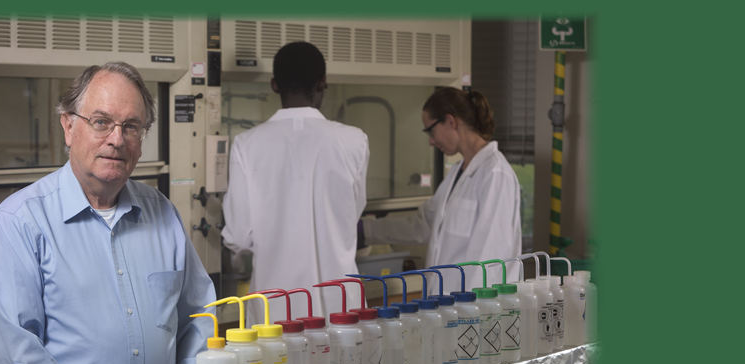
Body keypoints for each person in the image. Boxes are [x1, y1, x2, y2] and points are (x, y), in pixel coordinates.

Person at [0, 61, 214, 364]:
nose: (117, 139)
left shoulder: (162, 213)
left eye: (131, 126)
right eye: (101, 122)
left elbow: (198, 318)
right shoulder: (20, 220)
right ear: (69, 127)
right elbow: (14, 352)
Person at [221, 41, 370, 325]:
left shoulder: (246, 145)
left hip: (276, 313)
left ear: (275, 85)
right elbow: (353, 212)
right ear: (322, 83)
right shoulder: (355, 140)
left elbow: (238, 237)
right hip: (342, 311)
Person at [360, 87, 522, 293]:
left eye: (430, 130)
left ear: (451, 121)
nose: (431, 141)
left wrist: (468, 315)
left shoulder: (495, 174)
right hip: (446, 307)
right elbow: (423, 225)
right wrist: (366, 231)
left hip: (473, 310)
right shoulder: (456, 173)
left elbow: (489, 257)